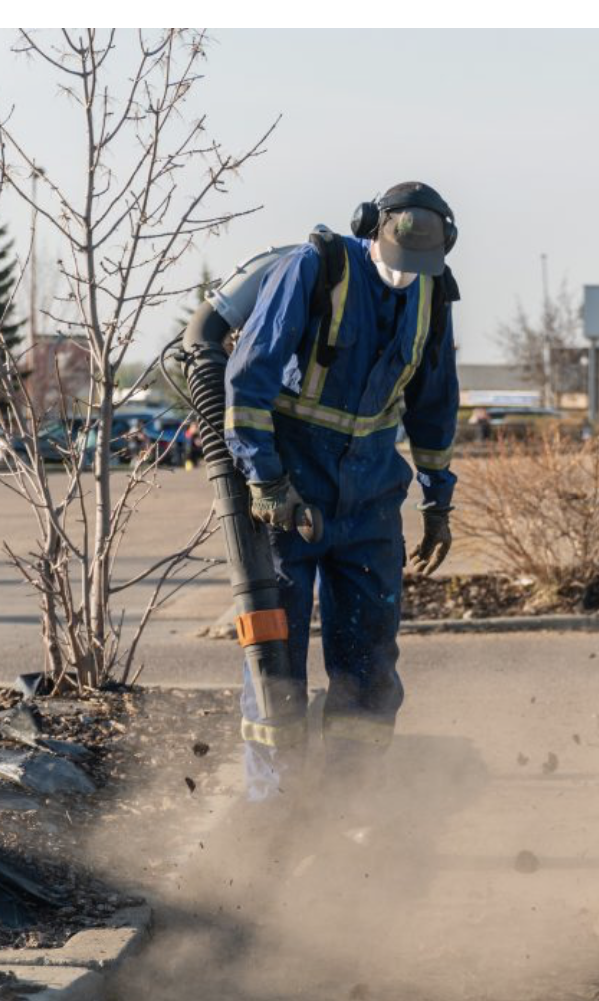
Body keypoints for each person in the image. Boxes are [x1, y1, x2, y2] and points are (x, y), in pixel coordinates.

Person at [223, 181, 460, 803]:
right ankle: (275, 803)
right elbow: (247, 383)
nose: (405, 276)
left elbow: (435, 405)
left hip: (371, 502)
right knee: (274, 662)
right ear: (368, 230)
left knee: (369, 661)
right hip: (291, 496)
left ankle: (348, 801)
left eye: (419, 267)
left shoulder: (433, 293)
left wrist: (438, 499)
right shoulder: (314, 270)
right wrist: (265, 479)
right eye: (397, 260)